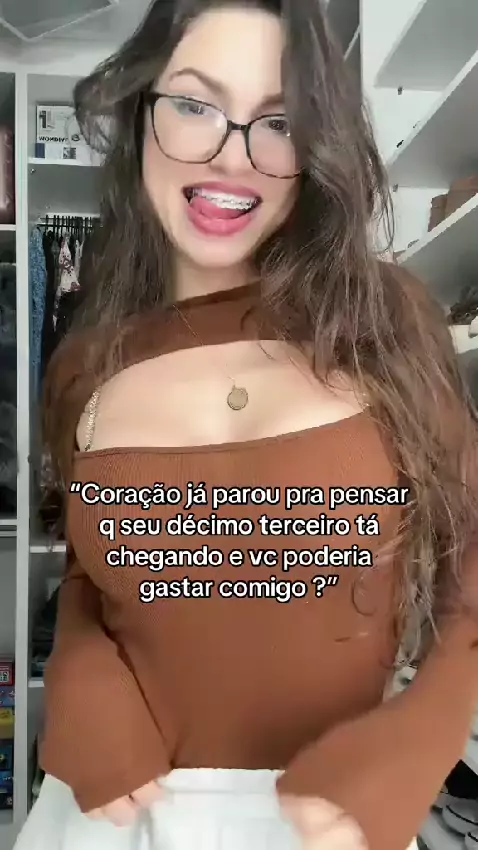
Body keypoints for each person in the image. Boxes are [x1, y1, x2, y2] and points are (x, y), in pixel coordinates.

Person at [13, 1, 478, 849]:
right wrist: (76, 658)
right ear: (141, 112)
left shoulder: (388, 323)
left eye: (279, 121)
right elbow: (94, 566)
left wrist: (431, 724)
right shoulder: (86, 361)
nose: (234, 156)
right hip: (113, 821)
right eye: (195, 104)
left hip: (326, 824)